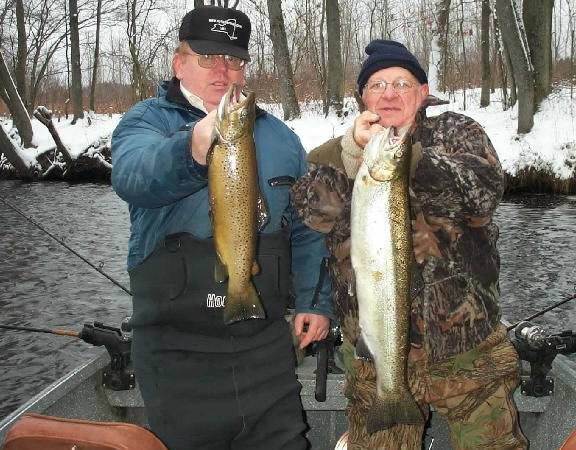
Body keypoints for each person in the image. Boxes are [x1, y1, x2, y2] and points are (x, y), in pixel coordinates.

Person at [110, 6, 333, 450]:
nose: (222, 70)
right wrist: (191, 147)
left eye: (233, 60)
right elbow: (133, 176)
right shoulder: (146, 122)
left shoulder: (281, 137)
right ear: (180, 63)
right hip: (177, 352)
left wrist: (314, 301)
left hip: (264, 348)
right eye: (207, 57)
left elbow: (309, 226)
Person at [291, 39, 528, 450]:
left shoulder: (457, 132)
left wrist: (406, 155)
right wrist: (350, 154)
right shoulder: (339, 153)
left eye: (402, 83)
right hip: (374, 354)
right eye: (377, 85)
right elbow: (314, 213)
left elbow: (483, 192)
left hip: (467, 346)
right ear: (362, 97)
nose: (389, 93)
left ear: (422, 92)